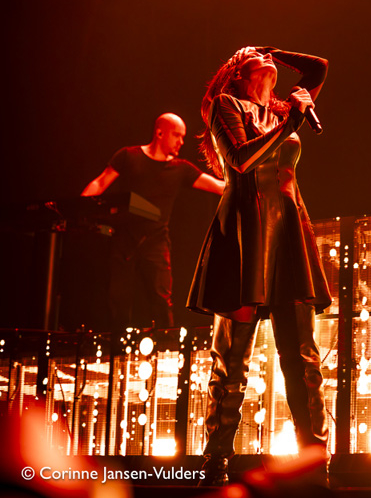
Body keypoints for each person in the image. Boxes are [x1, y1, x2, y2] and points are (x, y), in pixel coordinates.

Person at [187, 46, 331, 486]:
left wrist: (274, 53)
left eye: (262, 52)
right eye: (250, 54)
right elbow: (242, 159)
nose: (260, 55)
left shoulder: (286, 108)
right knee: (232, 360)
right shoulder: (225, 105)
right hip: (245, 230)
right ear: (235, 73)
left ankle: (315, 462)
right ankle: (216, 463)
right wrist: (290, 124)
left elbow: (318, 68)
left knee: (303, 357)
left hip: (287, 229)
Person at [82, 113, 224, 330]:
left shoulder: (181, 169)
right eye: (177, 135)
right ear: (159, 133)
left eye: (182, 137)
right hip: (123, 241)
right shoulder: (128, 156)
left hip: (156, 243)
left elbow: (218, 187)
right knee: (118, 302)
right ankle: (117, 347)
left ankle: (166, 345)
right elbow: (100, 183)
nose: (181, 142)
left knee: (161, 302)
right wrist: (78, 208)